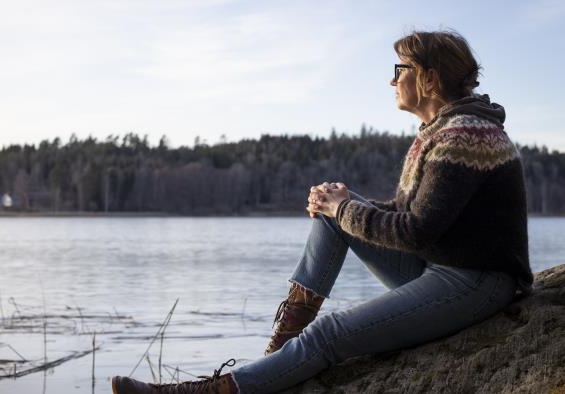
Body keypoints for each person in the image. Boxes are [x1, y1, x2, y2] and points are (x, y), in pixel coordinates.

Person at [111, 29, 533, 394]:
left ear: (429, 77)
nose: (392, 79)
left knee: (330, 334)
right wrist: (340, 203)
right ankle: (282, 347)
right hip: (442, 266)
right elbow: (411, 215)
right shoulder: (443, 129)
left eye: (399, 69)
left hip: (475, 282)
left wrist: (345, 207)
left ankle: (222, 388)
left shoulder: (465, 134)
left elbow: (416, 230)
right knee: (334, 214)